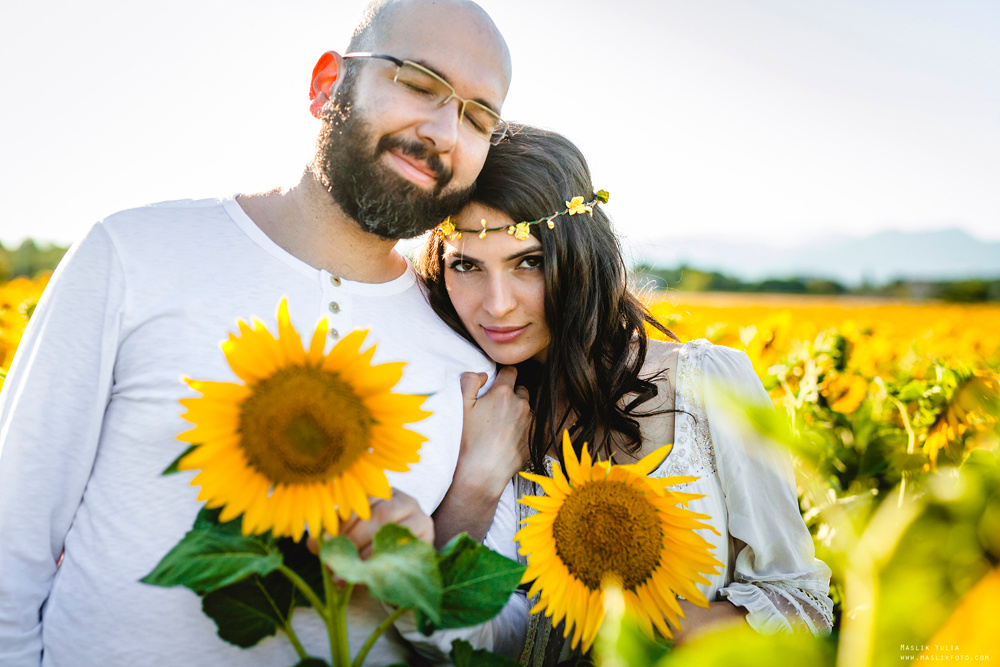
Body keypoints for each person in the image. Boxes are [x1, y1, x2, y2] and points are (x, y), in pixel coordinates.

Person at [0, 1, 529, 664]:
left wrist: (442, 536)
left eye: (479, 116)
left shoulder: (467, 362)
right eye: (420, 83)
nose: (445, 131)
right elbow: (10, 538)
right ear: (325, 84)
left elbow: (508, 633)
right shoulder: (134, 252)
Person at [418, 124, 834, 664]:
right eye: (467, 265)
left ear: (580, 254)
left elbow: (803, 604)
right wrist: (476, 482)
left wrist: (640, 618)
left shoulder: (706, 387)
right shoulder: (457, 403)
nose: (496, 305)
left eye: (530, 261)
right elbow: (436, 626)